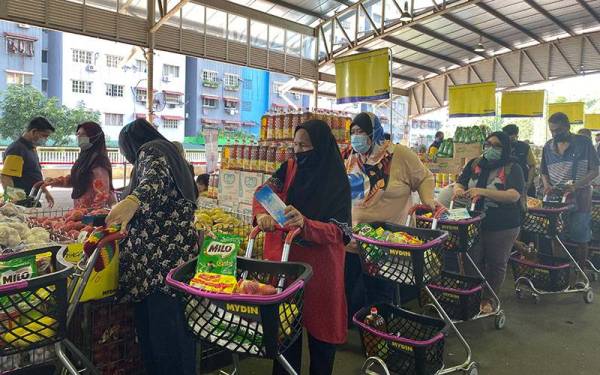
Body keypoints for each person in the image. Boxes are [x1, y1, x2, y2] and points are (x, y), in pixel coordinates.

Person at [253, 119, 351, 375]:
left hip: (321, 269)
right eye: (295, 144)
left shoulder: (337, 181)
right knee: (286, 334)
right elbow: (263, 193)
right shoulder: (289, 168)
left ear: (319, 147)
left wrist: (307, 225)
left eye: (304, 146)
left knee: (322, 340)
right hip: (289, 266)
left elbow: (340, 231)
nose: (298, 151)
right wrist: (262, 214)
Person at [105, 119, 198, 375]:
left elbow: (152, 182)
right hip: (172, 263)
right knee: (174, 335)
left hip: (158, 267)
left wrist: (133, 199)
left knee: (165, 340)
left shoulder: (153, 150)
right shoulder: (171, 153)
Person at [344, 112, 435, 319]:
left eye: (362, 132)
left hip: (385, 240)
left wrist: (427, 200)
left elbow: (424, 178)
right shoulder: (351, 157)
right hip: (354, 238)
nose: (356, 136)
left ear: (375, 132)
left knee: (379, 292)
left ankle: (380, 335)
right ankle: (361, 327)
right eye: (353, 132)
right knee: (350, 290)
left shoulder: (399, 155)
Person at [453, 131, 525, 313]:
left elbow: (513, 195)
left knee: (496, 264)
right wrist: (458, 190)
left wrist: (483, 191)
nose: (491, 148)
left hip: (503, 225)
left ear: (505, 148)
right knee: (471, 262)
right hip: (473, 223)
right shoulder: (475, 163)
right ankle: (472, 296)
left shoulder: (513, 167)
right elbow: (460, 182)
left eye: (496, 145)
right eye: (488, 144)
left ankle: (489, 299)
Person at [541, 112, 599, 264]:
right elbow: (543, 172)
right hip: (556, 199)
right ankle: (561, 269)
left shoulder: (584, 142)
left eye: (558, 130)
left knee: (581, 235)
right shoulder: (547, 146)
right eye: (552, 130)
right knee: (555, 234)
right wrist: (547, 185)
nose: (555, 134)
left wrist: (576, 185)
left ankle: (581, 271)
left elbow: (595, 170)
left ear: (568, 127)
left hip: (580, 196)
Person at [43, 122, 115, 208]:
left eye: (83, 134)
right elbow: (77, 179)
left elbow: (102, 194)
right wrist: (55, 181)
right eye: (78, 134)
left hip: (92, 214)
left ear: (94, 136)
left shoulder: (99, 161)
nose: (79, 137)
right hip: (81, 211)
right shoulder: (85, 157)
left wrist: (90, 216)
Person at [1, 117, 55, 206]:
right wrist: (15, 202)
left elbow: (33, 175)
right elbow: (6, 177)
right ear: (34, 131)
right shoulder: (17, 149)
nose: (46, 139)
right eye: (44, 136)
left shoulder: (31, 148)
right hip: (20, 200)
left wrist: (45, 192)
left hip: (29, 198)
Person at [502, 124, 537, 197]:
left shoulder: (524, 147)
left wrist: (529, 183)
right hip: (507, 185)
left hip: (525, 181)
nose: (511, 137)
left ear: (516, 135)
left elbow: (532, 166)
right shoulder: (501, 147)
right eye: (508, 135)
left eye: (513, 135)